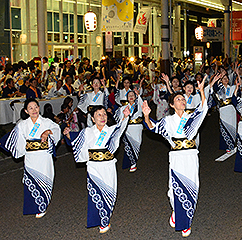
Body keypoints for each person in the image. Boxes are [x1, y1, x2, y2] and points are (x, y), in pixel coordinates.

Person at [142, 76, 208, 238]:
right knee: (173, 190)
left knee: (192, 187)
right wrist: (146, 115)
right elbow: (153, 127)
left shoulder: (191, 118)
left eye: (183, 99)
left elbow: (203, 108)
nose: (182, 101)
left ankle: (186, 222)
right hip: (176, 156)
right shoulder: (168, 121)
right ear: (172, 104)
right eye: (178, 99)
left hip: (191, 155)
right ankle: (176, 210)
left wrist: (201, 90)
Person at [64, 105, 130, 233]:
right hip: (94, 167)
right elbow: (75, 140)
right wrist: (67, 135)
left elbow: (120, 128)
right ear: (93, 119)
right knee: (95, 193)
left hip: (108, 166)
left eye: (104, 114)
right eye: (98, 115)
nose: (102, 117)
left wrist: (125, 117)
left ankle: (106, 216)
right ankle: (102, 221)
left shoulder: (111, 130)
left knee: (110, 193)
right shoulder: (87, 132)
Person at [0, 98, 61, 218]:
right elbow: (15, 139)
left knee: (45, 180)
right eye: (30, 108)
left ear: (39, 108)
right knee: (32, 181)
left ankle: (42, 205)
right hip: (31, 157)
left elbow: (57, 130)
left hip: (44, 157)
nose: (34, 110)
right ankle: (36, 206)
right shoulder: (22, 125)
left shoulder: (46, 121)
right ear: (26, 111)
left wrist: (48, 132)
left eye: (36, 107)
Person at [114, 89, 143, 172]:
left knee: (137, 144)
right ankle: (133, 164)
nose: (131, 97)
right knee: (128, 146)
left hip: (137, 127)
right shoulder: (123, 108)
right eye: (129, 95)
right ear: (126, 98)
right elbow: (118, 116)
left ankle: (134, 160)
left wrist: (139, 96)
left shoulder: (138, 105)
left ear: (135, 97)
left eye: (132, 95)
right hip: (128, 128)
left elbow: (142, 106)